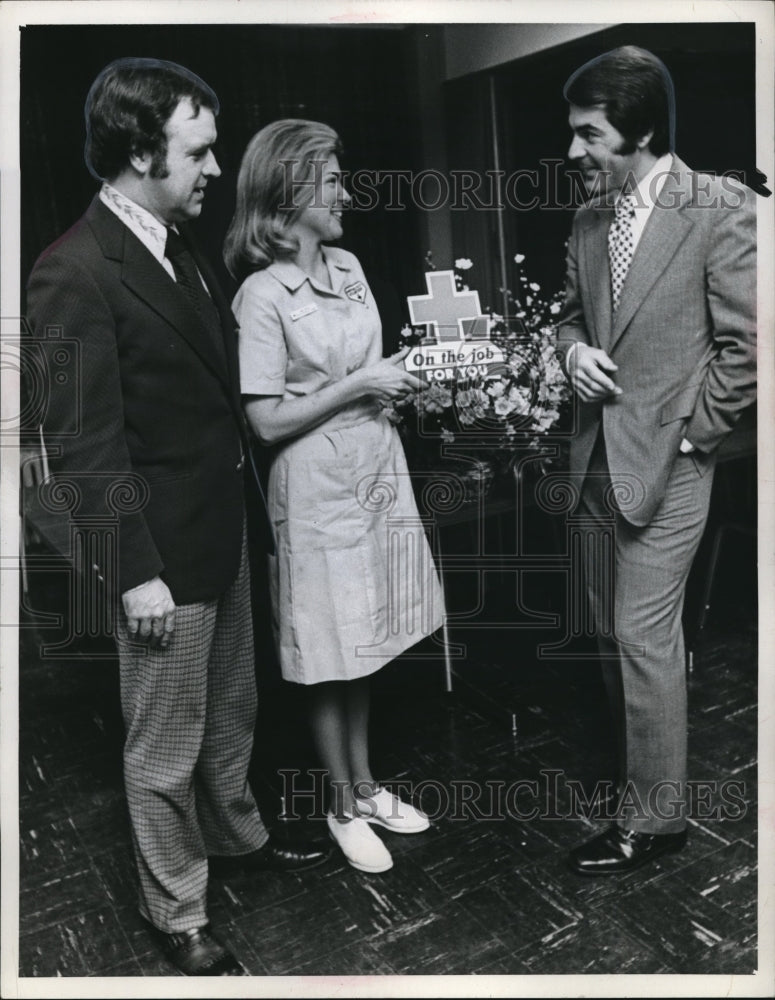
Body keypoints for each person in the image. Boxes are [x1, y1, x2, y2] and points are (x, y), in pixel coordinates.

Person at [26, 58, 331, 977]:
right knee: (162, 747)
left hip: (221, 532)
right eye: (198, 153)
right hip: (158, 557)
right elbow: (83, 448)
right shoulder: (73, 271)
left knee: (232, 709)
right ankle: (179, 909)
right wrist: (132, 572)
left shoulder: (169, 241)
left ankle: (236, 837)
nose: (214, 169)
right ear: (136, 152)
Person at [224, 119, 445, 874]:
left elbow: (366, 366)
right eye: (329, 181)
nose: (344, 193)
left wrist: (400, 379)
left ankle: (368, 786)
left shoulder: (348, 267)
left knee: (368, 637)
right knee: (327, 651)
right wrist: (359, 384)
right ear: (289, 191)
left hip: (375, 470)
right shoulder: (260, 295)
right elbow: (262, 420)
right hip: (313, 487)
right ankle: (341, 801)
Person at [555, 45, 757, 875]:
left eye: (588, 133)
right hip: (594, 461)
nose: (573, 151)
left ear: (636, 130)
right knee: (609, 635)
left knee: (642, 636)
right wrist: (569, 356)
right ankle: (641, 776)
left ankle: (656, 821)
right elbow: (567, 320)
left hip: (672, 465)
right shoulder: (587, 218)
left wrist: (687, 438)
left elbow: (748, 349)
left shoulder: (720, 207)